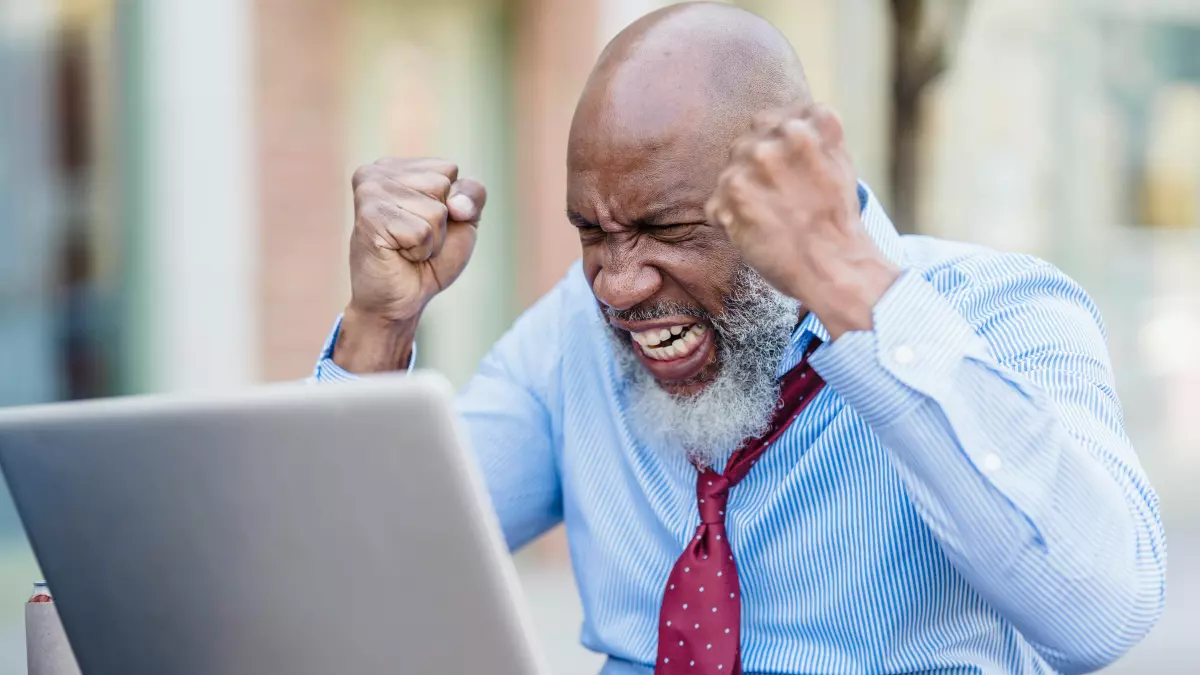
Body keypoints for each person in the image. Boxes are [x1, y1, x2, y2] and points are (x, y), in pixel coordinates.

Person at [313, 3, 1166, 674]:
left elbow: (1096, 613)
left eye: (669, 228)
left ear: (783, 181)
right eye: (592, 233)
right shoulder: (570, 332)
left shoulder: (1007, 311)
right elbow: (350, 574)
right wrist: (380, 327)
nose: (617, 285)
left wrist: (851, 289)